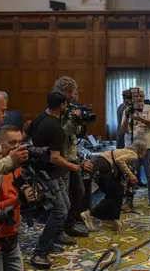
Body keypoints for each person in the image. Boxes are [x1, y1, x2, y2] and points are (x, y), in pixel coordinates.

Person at [25, 91, 81, 267]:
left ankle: (52, 240)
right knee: (60, 211)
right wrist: (73, 166)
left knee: (66, 205)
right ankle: (39, 251)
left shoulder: (39, 119)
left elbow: (28, 139)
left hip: (48, 172)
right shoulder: (56, 128)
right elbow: (54, 157)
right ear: (63, 105)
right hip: (49, 174)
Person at [52, 76, 92, 238]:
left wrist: (80, 122)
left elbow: (76, 133)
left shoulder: (72, 108)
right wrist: (72, 120)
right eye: (69, 92)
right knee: (64, 197)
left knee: (79, 191)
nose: (73, 95)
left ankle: (70, 224)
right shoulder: (57, 109)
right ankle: (60, 230)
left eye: (74, 92)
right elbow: (61, 134)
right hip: (61, 158)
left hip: (72, 154)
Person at [0, 126, 36, 271]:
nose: (17, 147)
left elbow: (17, 195)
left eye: (19, 142)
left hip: (13, 233)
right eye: (12, 143)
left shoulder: (17, 166)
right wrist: (18, 200)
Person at [81, 141, 147, 231]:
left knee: (118, 190)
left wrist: (124, 181)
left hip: (100, 164)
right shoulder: (133, 154)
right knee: (116, 192)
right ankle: (90, 214)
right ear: (140, 150)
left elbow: (118, 165)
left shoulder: (126, 151)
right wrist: (131, 176)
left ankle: (110, 218)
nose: (145, 153)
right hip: (103, 166)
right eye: (145, 150)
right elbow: (119, 161)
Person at [120, 87, 150, 209]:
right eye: (136, 96)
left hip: (148, 145)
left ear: (144, 97)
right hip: (131, 147)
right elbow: (123, 129)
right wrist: (128, 116)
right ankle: (129, 200)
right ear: (132, 98)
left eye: (141, 96)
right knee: (131, 174)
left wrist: (140, 118)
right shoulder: (126, 111)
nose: (139, 98)